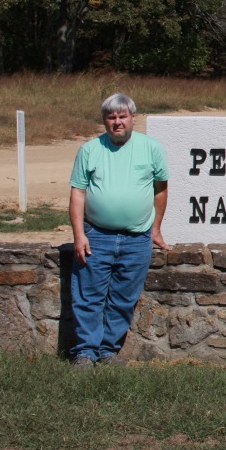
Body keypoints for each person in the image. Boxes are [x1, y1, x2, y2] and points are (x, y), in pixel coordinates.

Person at [68, 93, 169, 370]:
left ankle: (108, 351)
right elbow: (78, 193)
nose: (117, 122)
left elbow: (160, 191)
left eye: (122, 116)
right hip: (97, 235)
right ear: (104, 120)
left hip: (137, 237)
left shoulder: (151, 148)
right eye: (111, 117)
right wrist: (79, 234)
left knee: (123, 299)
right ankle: (85, 352)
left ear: (133, 118)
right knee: (88, 297)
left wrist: (156, 228)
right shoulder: (90, 150)